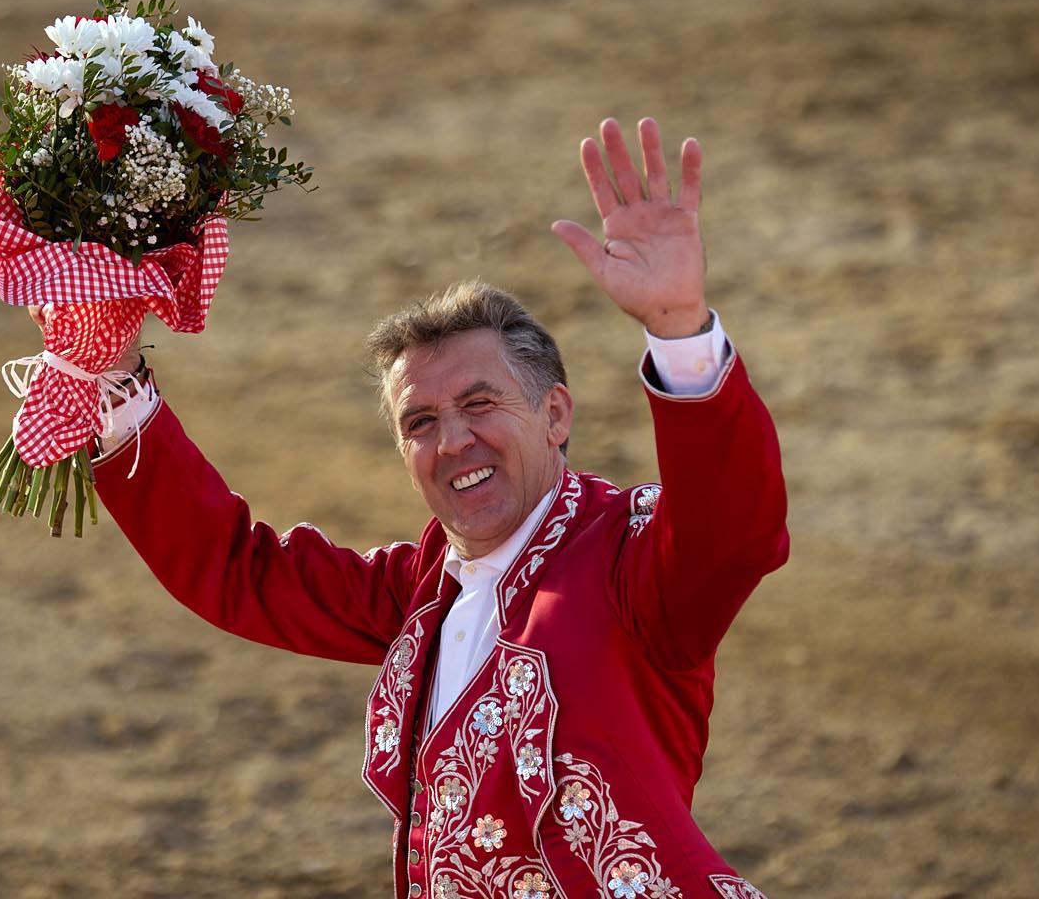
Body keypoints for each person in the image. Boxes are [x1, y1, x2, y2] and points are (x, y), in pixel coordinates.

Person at [70, 118, 787, 899]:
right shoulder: (417, 593)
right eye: (421, 423)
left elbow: (732, 534)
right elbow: (242, 572)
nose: (453, 442)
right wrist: (114, 379)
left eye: (481, 403)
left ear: (555, 416)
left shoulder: (627, 557)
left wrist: (679, 330)